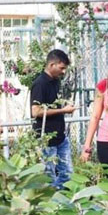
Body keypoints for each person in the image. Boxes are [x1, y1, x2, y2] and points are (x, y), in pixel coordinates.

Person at [30, 49, 76, 189]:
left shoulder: (56, 81)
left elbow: (53, 105)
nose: (63, 72)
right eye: (61, 68)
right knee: (48, 176)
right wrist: (63, 110)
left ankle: (64, 199)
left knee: (67, 173)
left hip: (60, 137)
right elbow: (35, 111)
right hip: (46, 138)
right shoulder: (40, 83)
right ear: (51, 65)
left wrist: (64, 106)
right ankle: (52, 200)